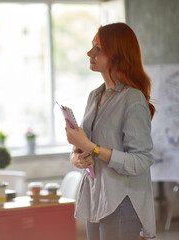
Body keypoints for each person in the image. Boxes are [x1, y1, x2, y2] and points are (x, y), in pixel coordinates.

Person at [65, 22, 156, 240]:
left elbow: (141, 161)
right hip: (96, 198)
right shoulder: (94, 96)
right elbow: (84, 148)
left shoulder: (132, 99)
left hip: (121, 202)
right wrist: (76, 158)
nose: (89, 53)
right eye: (91, 47)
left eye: (98, 48)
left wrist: (91, 147)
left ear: (117, 54)